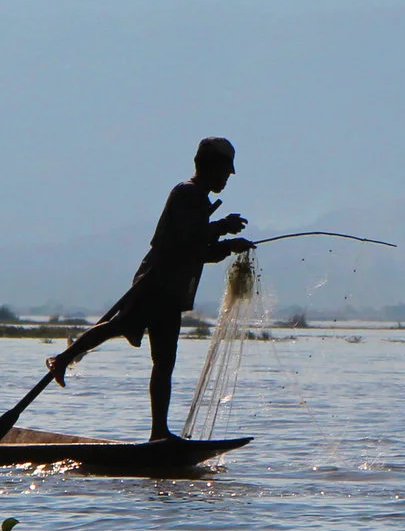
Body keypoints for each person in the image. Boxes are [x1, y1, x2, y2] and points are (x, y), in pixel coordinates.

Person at [48, 137, 255, 441]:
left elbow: (198, 251)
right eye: (224, 171)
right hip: (155, 282)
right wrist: (220, 228)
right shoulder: (186, 194)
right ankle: (62, 359)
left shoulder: (199, 199)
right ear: (210, 167)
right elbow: (179, 242)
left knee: (164, 361)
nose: (226, 178)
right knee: (119, 326)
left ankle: (159, 432)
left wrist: (226, 246)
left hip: (171, 291)